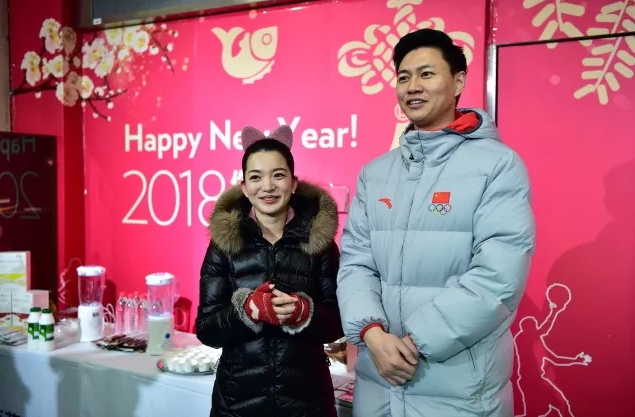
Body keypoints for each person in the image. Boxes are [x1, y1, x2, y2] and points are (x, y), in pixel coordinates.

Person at [336, 28, 536, 417]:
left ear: (458, 81)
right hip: (377, 383)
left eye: (426, 74)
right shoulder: (375, 173)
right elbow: (356, 263)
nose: (413, 86)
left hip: (458, 389)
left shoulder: (498, 165)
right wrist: (371, 334)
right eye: (404, 76)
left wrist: (412, 344)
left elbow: (497, 278)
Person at [195, 124, 344, 417]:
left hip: (307, 403)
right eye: (256, 177)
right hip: (238, 402)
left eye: (278, 175)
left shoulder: (320, 243)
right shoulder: (224, 244)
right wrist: (247, 310)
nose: (267, 186)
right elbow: (206, 329)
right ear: (243, 187)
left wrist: (304, 313)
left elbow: (339, 322)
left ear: (294, 183)